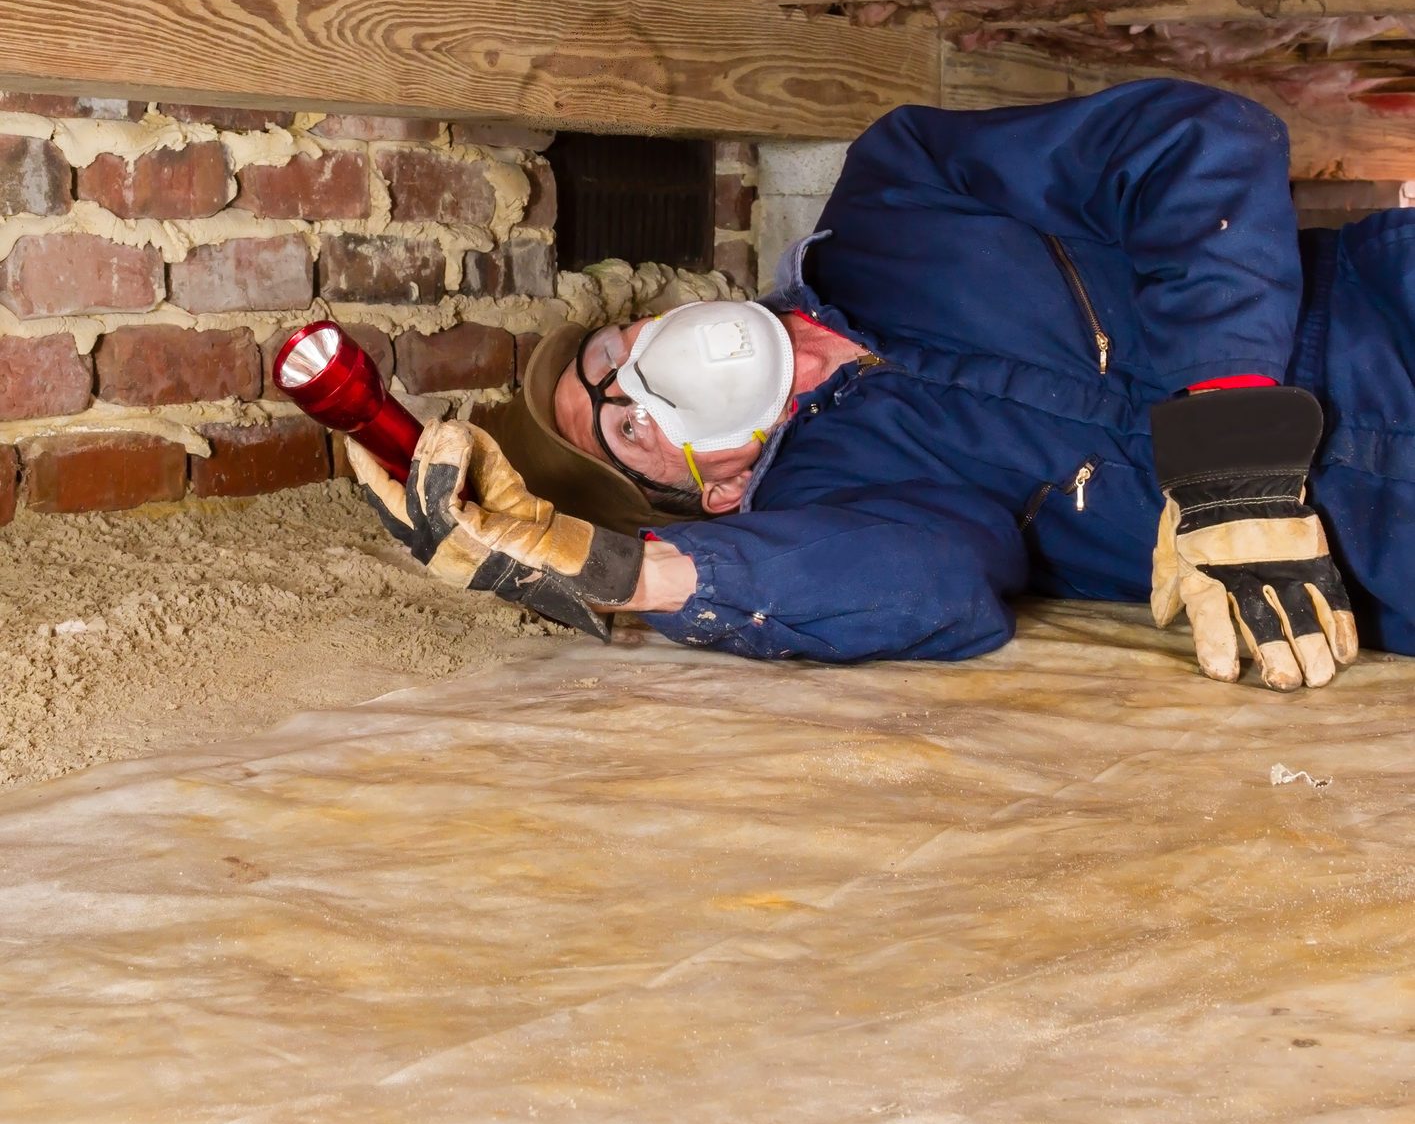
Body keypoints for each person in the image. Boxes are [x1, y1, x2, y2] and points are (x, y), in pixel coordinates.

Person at [350, 78, 1415, 692]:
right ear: (714, 491)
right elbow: (931, 590)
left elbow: (1194, 143)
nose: (636, 380)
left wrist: (1228, 441)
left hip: (1384, 311)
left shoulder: (895, 191)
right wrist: (616, 570)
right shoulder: (843, 501)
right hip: (1376, 554)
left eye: (608, 356)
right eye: (624, 426)